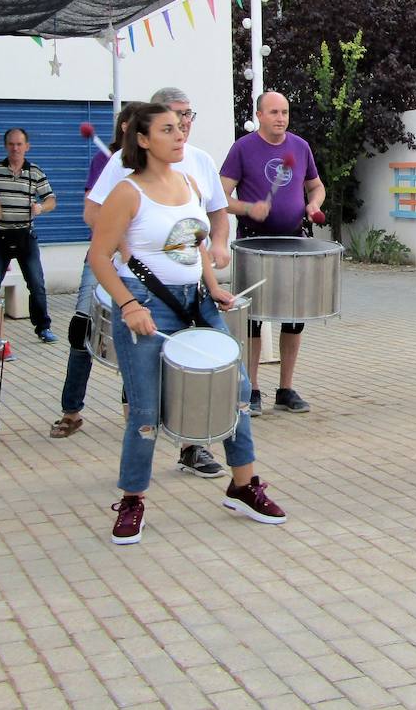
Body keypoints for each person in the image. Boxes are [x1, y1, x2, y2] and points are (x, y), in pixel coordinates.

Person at [90, 102, 286, 544]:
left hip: (197, 303)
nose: (180, 135)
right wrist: (127, 306)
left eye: (181, 128)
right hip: (145, 305)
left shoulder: (190, 182)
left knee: (235, 390)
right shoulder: (128, 192)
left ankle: (242, 486)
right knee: (145, 410)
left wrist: (213, 284)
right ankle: (133, 500)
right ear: (142, 140)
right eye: (168, 130)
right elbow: (98, 257)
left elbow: (195, 241)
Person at [83, 90, 230, 478]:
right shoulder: (122, 167)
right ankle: (132, 489)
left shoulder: (198, 164)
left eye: (187, 116)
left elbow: (209, 221)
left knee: (219, 381)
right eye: (172, 120)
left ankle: (197, 449)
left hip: (193, 292)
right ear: (145, 136)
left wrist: (215, 261)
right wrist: (120, 242)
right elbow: (95, 214)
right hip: (142, 288)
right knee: (143, 401)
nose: (183, 126)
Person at [220, 91, 325, 416]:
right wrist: (250, 207)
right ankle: (251, 389)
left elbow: (316, 185)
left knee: (294, 318)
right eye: (274, 112)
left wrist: (313, 204)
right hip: (254, 242)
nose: (281, 118)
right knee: (253, 319)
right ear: (259, 114)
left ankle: (285, 389)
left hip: (294, 241)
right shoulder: (243, 148)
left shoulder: (300, 146)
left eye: (285, 112)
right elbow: (220, 197)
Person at [49, 101, 140, 441]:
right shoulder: (108, 159)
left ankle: (134, 411)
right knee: (81, 329)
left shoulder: (158, 166)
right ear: (124, 127)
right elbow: (92, 208)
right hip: (102, 256)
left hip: (140, 264)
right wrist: (116, 238)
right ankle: (71, 411)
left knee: (136, 336)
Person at [0, 127, 58, 342]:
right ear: (5, 146)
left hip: (25, 235)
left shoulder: (35, 172)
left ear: (27, 146)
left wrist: (40, 208)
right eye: (11, 144)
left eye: (19, 144)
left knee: (36, 283)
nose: (15, 148)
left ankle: (43, 328)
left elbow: (51, 200)